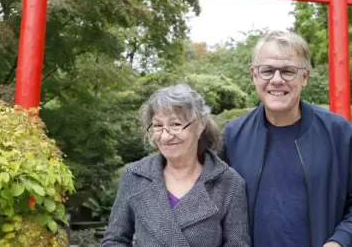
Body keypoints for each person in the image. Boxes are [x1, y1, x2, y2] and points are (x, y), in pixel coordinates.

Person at [221, 31, 352, 247]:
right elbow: (216, 205)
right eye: (267, 71)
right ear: (254, 75)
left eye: (288, 71)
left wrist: (340, 241)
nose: (276, 80)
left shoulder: (338, 133)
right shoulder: (233, 136)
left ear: (304, 77)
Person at [101, 84, 251, 247]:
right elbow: (114, 240)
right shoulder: (135, 176)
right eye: (158, 126)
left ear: (201, 125)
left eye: (175, 125)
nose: (165, 136)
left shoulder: (228, 183)